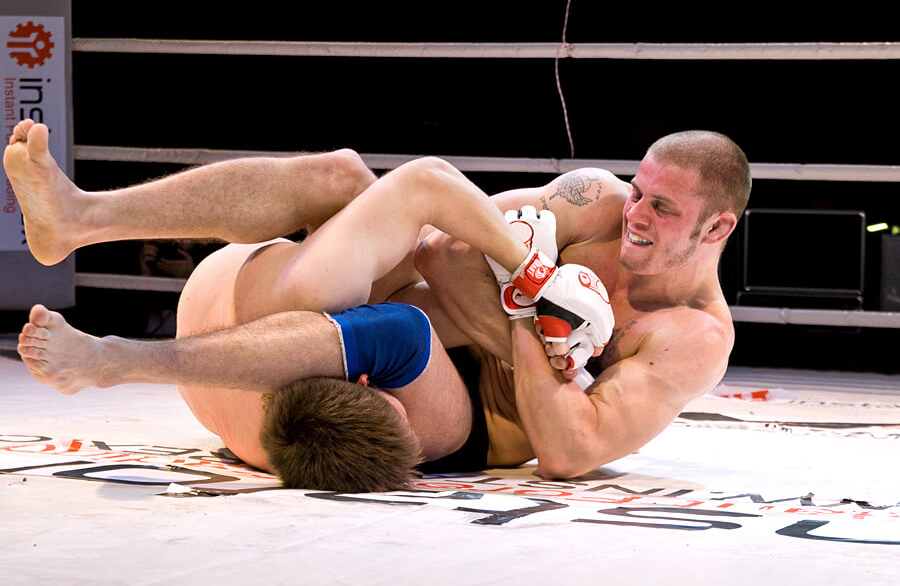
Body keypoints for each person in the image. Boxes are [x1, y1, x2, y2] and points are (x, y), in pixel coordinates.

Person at [8, 119, 750, 487]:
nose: (636, 215)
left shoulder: (694, 337)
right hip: (308, 305)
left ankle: (118, 359)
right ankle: (81, 217)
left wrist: (531, 313)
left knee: (399, 325)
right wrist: (535, 296)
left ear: (718, 227)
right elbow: (442, 248)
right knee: (342, 176)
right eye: (639, 191)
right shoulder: (599, 203)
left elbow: (567, 449)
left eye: (662, 209)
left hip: (455, 411)